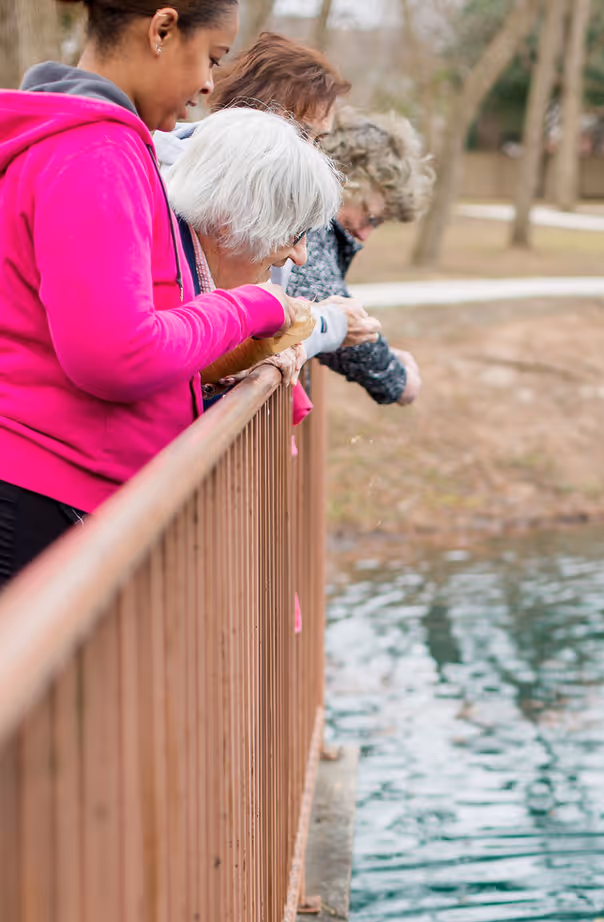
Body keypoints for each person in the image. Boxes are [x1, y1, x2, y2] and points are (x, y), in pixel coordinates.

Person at [0, 0, 307, 586]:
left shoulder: (97, 142)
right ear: (163, 30)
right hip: (43, 496)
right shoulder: (93, 150)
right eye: (211, 58)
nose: (208, 84)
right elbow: (118, 354)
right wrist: (253, 306)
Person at [154, 30, 378, 361]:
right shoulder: (173, 191)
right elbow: (192, 344)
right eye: (301, 134)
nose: (309, 152)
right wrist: (325, 326)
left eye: (319, 140)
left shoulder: (278, 199)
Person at [164, 106, 344, 413]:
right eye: (294, 233)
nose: (300, 257)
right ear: (230, 223)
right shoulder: (162, 276)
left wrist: (246, 355)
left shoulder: (184, 259)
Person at [287, 109, 435, 408]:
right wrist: (396, 378)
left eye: (377, 224)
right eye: (369, 216)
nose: (365, 234)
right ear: (349, 180)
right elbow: (326, 299)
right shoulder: (312, 221)